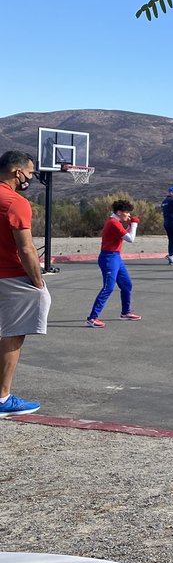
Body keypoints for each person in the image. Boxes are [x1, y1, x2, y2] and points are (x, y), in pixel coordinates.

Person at [0, 151, 50, 416]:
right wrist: (38, 281)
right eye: (30, 173)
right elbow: (27, 249)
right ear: (17, 172)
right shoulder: (15, 202)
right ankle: (3, 398)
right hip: (10, 277)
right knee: (13, 333)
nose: (30, 178)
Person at [87, 199, 141, 327]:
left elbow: (124, 235)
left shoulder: (115, 222)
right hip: (109, 258)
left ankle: (126, 312)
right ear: (119, 212)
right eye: (127, 213)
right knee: (108, 288)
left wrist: (130, 226)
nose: (129, 215)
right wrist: (134, 225)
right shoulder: (113, 223)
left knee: (126, 285)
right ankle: (92, 318)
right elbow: (130, 239)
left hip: (116, 257)